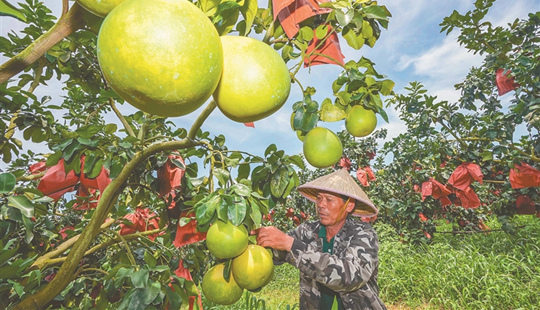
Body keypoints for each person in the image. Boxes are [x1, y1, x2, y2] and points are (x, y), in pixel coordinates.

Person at [254, 169, 386, 310]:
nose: (321, 205)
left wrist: (290, 244)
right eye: (319, 198)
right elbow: (276, 252)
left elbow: (350, 277)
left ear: (349, 205)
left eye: (329, 200)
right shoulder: (307, 231)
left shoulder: (363, 233)